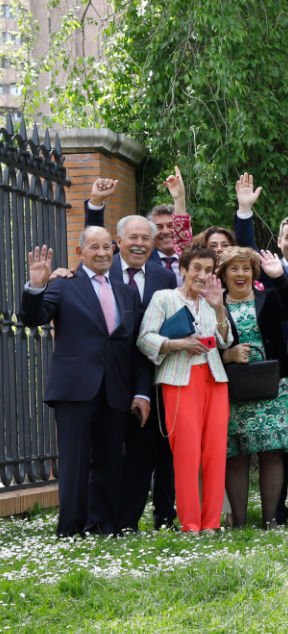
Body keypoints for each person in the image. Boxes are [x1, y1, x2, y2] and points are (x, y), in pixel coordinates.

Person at [20, 232, 151, 537]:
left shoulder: (126, 293)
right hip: (75, 388)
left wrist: (140, 390)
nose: (103, 252)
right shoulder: (63, 284)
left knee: (109, 460)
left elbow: (135, 347)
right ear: (80, 250)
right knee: (75, 463)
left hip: (116, 389)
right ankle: (72, 528)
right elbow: (33, 317)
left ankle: (102, 526)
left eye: (107, 246)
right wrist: (37, 286)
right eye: (94, 246)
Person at [81, 178, 179, 532]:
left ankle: (127, 522)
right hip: (105, 379)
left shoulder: (163, 278)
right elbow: (87, 245)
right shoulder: (102, 272)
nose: (139, 244)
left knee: (143, 454)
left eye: (145, 238)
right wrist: (94, 205)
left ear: (153, 244)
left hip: (148, 379)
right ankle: (99, 521)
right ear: (117, 242)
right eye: (132, 238)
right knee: (104, 455)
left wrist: (143, 388)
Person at [136, 245, 231, 533]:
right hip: (180, 380)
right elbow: (145, 338)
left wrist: (218, 308)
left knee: (215, 452)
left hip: (215, 379)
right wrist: (178, 344)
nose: (202, 275)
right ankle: (191, 523)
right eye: (197, 269)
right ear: (183, 270)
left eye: (208, 270)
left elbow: (224, 341)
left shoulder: (212, 301)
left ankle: (212, 522)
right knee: (187, 453)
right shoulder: (164, 298)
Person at [218, 247, 288, 529]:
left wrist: (279, 277)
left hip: (272, 387)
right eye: (234, 268)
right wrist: (227, 355)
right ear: (223, 274)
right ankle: (240, 524)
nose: (241, 274)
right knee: (236, 456)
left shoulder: (267, 298)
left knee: (272, 453)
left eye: (246, 268)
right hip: (233, 390)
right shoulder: (214, 303)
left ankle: (271, 522)